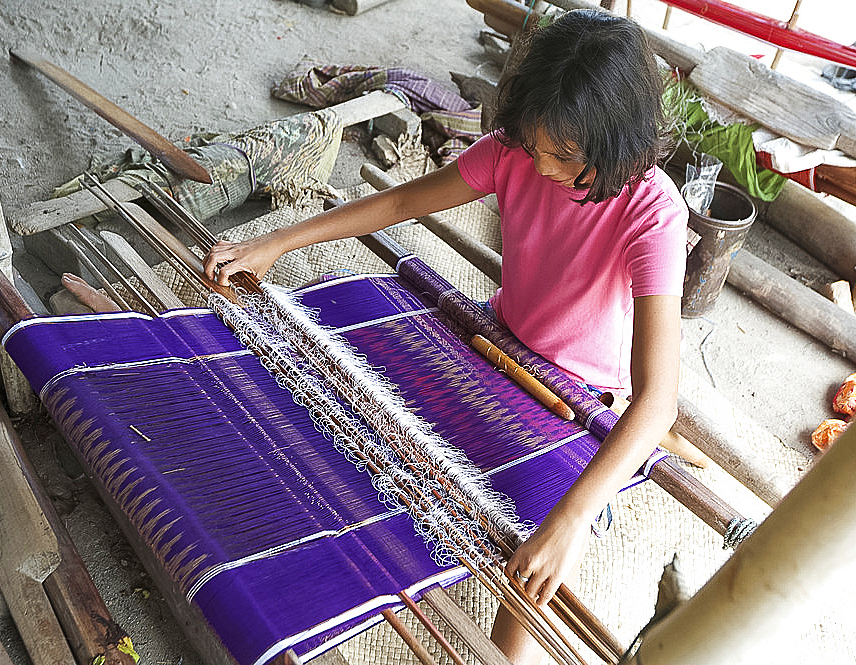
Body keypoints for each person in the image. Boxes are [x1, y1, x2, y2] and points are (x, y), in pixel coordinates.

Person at [205, 9, 686, 664]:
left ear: (617, 144)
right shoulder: (520, 155)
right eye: (536, 147)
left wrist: (570, 519)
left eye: (565, 158)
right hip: (494, 342)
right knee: (353, 421)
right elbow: (402, 203)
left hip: (576, 403)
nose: (543, 166)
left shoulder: (652, 214)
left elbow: (657, 402)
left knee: (534, 562)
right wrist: (276, 240)